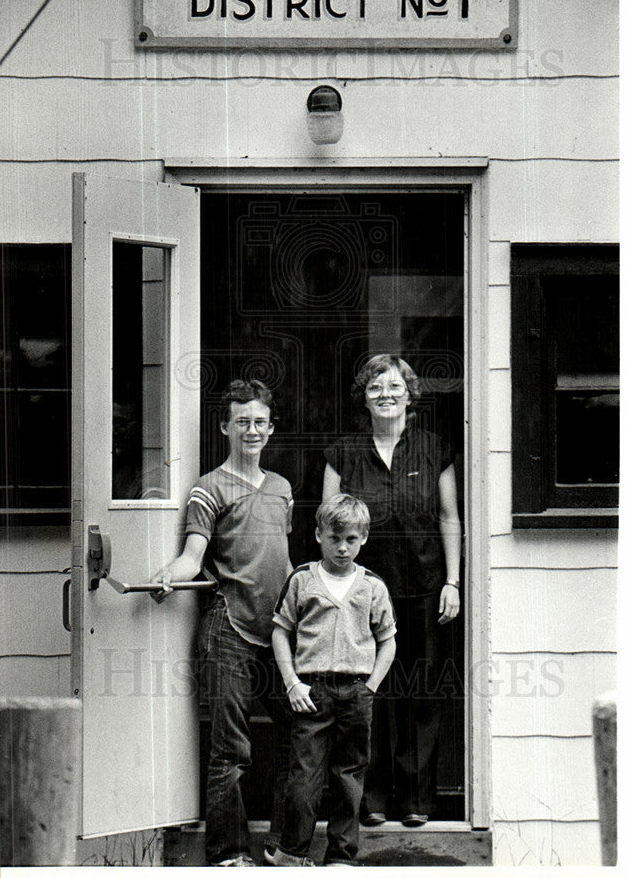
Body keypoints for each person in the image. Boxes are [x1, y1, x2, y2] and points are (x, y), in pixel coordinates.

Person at [154, 378, 293, 867]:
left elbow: (282, 558)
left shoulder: (281, 488)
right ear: (224, 426)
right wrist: (168, 575)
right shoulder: (207, 488)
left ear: (271, 429)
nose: (251, 430)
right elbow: (193, 556)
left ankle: (284, 847)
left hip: (278, 631)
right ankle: (230, 856)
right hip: (228, 625)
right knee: (231, 749)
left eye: (259, 422)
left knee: (302, 732)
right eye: (242, 422)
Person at [322, 354, 461, 827]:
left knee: (421, 692)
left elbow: (448, 518)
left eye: (395, 386)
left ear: (409, 394)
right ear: (364, 396)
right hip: (362, 593)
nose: (386, 394)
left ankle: (418, 800)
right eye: (376, 387)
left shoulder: (434, 447)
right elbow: (328, 520)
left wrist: (453, 581)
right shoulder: (342, 452)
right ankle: (373, 798)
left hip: (424, 590)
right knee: (368, 691)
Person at [270, 494, 396, 867]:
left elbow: (387, 640)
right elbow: (280, 631)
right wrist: (292, 682)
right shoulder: (303, 579)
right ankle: (292, 854)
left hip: (356, 691)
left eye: (351, 539)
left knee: (348, 777)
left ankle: (341, 855)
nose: (342, 548)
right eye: (334, 538)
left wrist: (369, 686)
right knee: (304, 778)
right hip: (312, 691)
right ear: (318, 535)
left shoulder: (372, 586)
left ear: (364, 538)